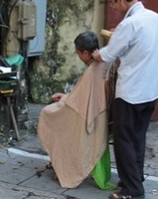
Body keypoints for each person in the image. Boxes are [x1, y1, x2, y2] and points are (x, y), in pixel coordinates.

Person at [92, 0, 158, 199]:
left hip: (131, 92)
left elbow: (107, 55)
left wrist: (95, 54)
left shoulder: (129, 25)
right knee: (137, 138)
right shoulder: (154, 18)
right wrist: (118, 37)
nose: (113, 8)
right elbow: (139, 44)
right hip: (150, 91)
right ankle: (135, 178)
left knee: (123, 140)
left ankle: (132, 189)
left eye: (113, 3)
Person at [38, 31, 113, 189]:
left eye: (78, 53)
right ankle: (57, 162)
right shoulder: (104, 63)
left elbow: (78, 101)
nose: (78, 57)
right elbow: (83, 96)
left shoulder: (93, 70)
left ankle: (63, 166)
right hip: (98, 113)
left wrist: (64, 99)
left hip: (88, 115)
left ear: (86, 53)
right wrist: (66, 97)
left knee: (48, 114)